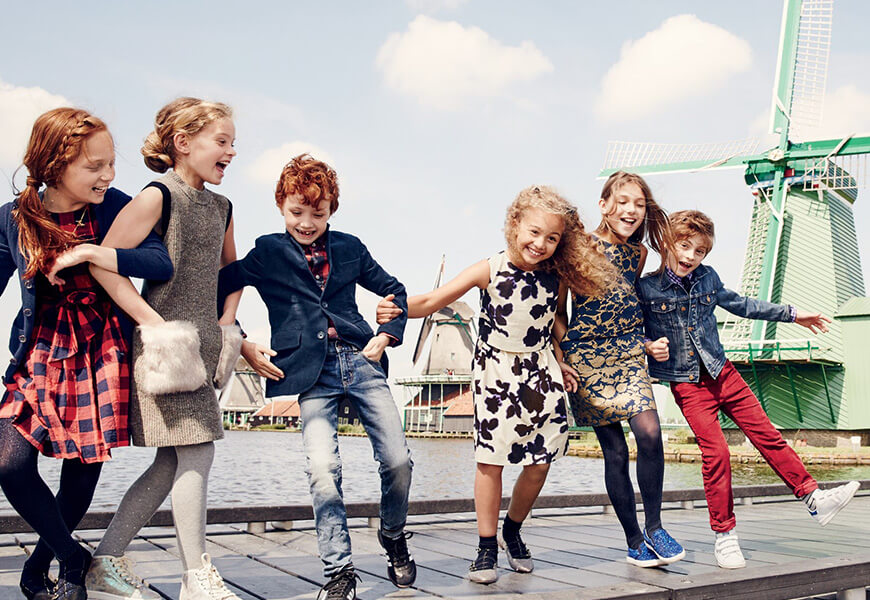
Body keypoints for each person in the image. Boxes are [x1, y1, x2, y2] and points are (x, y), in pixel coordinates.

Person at [378, 185, 614, 584]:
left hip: (540, 371)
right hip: (496, 372)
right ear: (515, 224)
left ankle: (513, 530)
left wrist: (562, 360)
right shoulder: (488, 268)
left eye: (552, 237)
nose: (540, 244)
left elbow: (555, 320)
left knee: (541, 462)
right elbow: (433, 301)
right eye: (534, 232)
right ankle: (486, 548)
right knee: (491, 461)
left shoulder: (556, 276)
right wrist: (397, 307)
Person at [69, 98, 245, 600]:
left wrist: (227, 324)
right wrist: (154, 324)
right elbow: (104, 263)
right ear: (183, 143)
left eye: (233, 143)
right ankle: (197, 577)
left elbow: (231, 272)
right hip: (166, 354)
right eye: (222, 141)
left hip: (205, 350)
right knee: (199, 450)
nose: (231, 152)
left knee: (171, 463)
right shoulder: (156, 196)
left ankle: (106, 561)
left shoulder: (223, 207)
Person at [217, 154, 414, 600]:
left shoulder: (351, 247)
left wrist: (386, 334)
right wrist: (242, 342)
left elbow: (394, 290)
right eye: (296, 212)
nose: (306, 223)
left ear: (331, 210)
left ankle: (392, 533)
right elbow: (218, 285)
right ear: (280, 206)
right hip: (309, 372)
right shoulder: (268, 251)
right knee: (324, 469)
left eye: (318, 214)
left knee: (398, 461)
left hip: (361, 359)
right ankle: (339, 571)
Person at [0, 108, 173, 600]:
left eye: (111, 163)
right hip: (40, 350)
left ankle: (48, 570)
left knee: (81, 468)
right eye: (95, 166)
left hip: (101, 350)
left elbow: (158, 260)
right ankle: (73, 555)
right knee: (9, 464)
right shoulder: (13, 217)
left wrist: (95, 252)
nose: (109, 175)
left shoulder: (112, 206)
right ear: (53, 166)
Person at [636, 209, 860, 569]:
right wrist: (649, 346)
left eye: (700, 251)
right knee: (717, 454)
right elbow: (630, 330)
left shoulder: (708, 278)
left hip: (723, 372)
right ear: (667, 243)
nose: (691, 256)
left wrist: (793, 314)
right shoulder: (646, 288)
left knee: (768, 436)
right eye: (684, 246)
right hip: (688, 384)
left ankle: (814, 499)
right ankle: (725, 536)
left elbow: (742, 305)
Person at [554, 171, 684, 567]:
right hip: (586, 359)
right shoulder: (576, 248)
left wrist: (647, 342)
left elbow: (628, 306)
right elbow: (558, 311)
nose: (631, 210)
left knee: (650, 434)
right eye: (623, 201)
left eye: (639, 204)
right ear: (604, 204)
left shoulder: (638, 254)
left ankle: (655, 527)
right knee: (615, 452)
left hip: (627, 356)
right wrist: (563, 355)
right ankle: (633, 540)